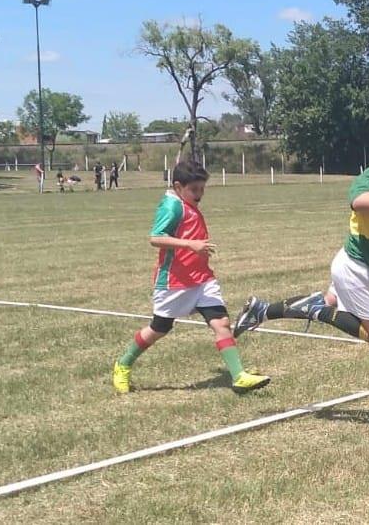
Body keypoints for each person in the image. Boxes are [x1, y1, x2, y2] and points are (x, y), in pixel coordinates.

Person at [233, 131, 369, 349]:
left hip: (363, 268)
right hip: (357, 267)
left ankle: (260, 310)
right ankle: (317, 312)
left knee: (330, 301)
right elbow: (358, 200)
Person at [112, 160, 269, 395]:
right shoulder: (172, 207)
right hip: (175, 281)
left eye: (202, 189)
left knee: (221, 323)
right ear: (178, 186)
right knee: (159, 328)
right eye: (194, 190)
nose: (199, 195)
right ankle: (123, 364)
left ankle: (239, 376)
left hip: (202, 279)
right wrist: (190, 244)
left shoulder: (184, 202)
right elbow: (155, 238)